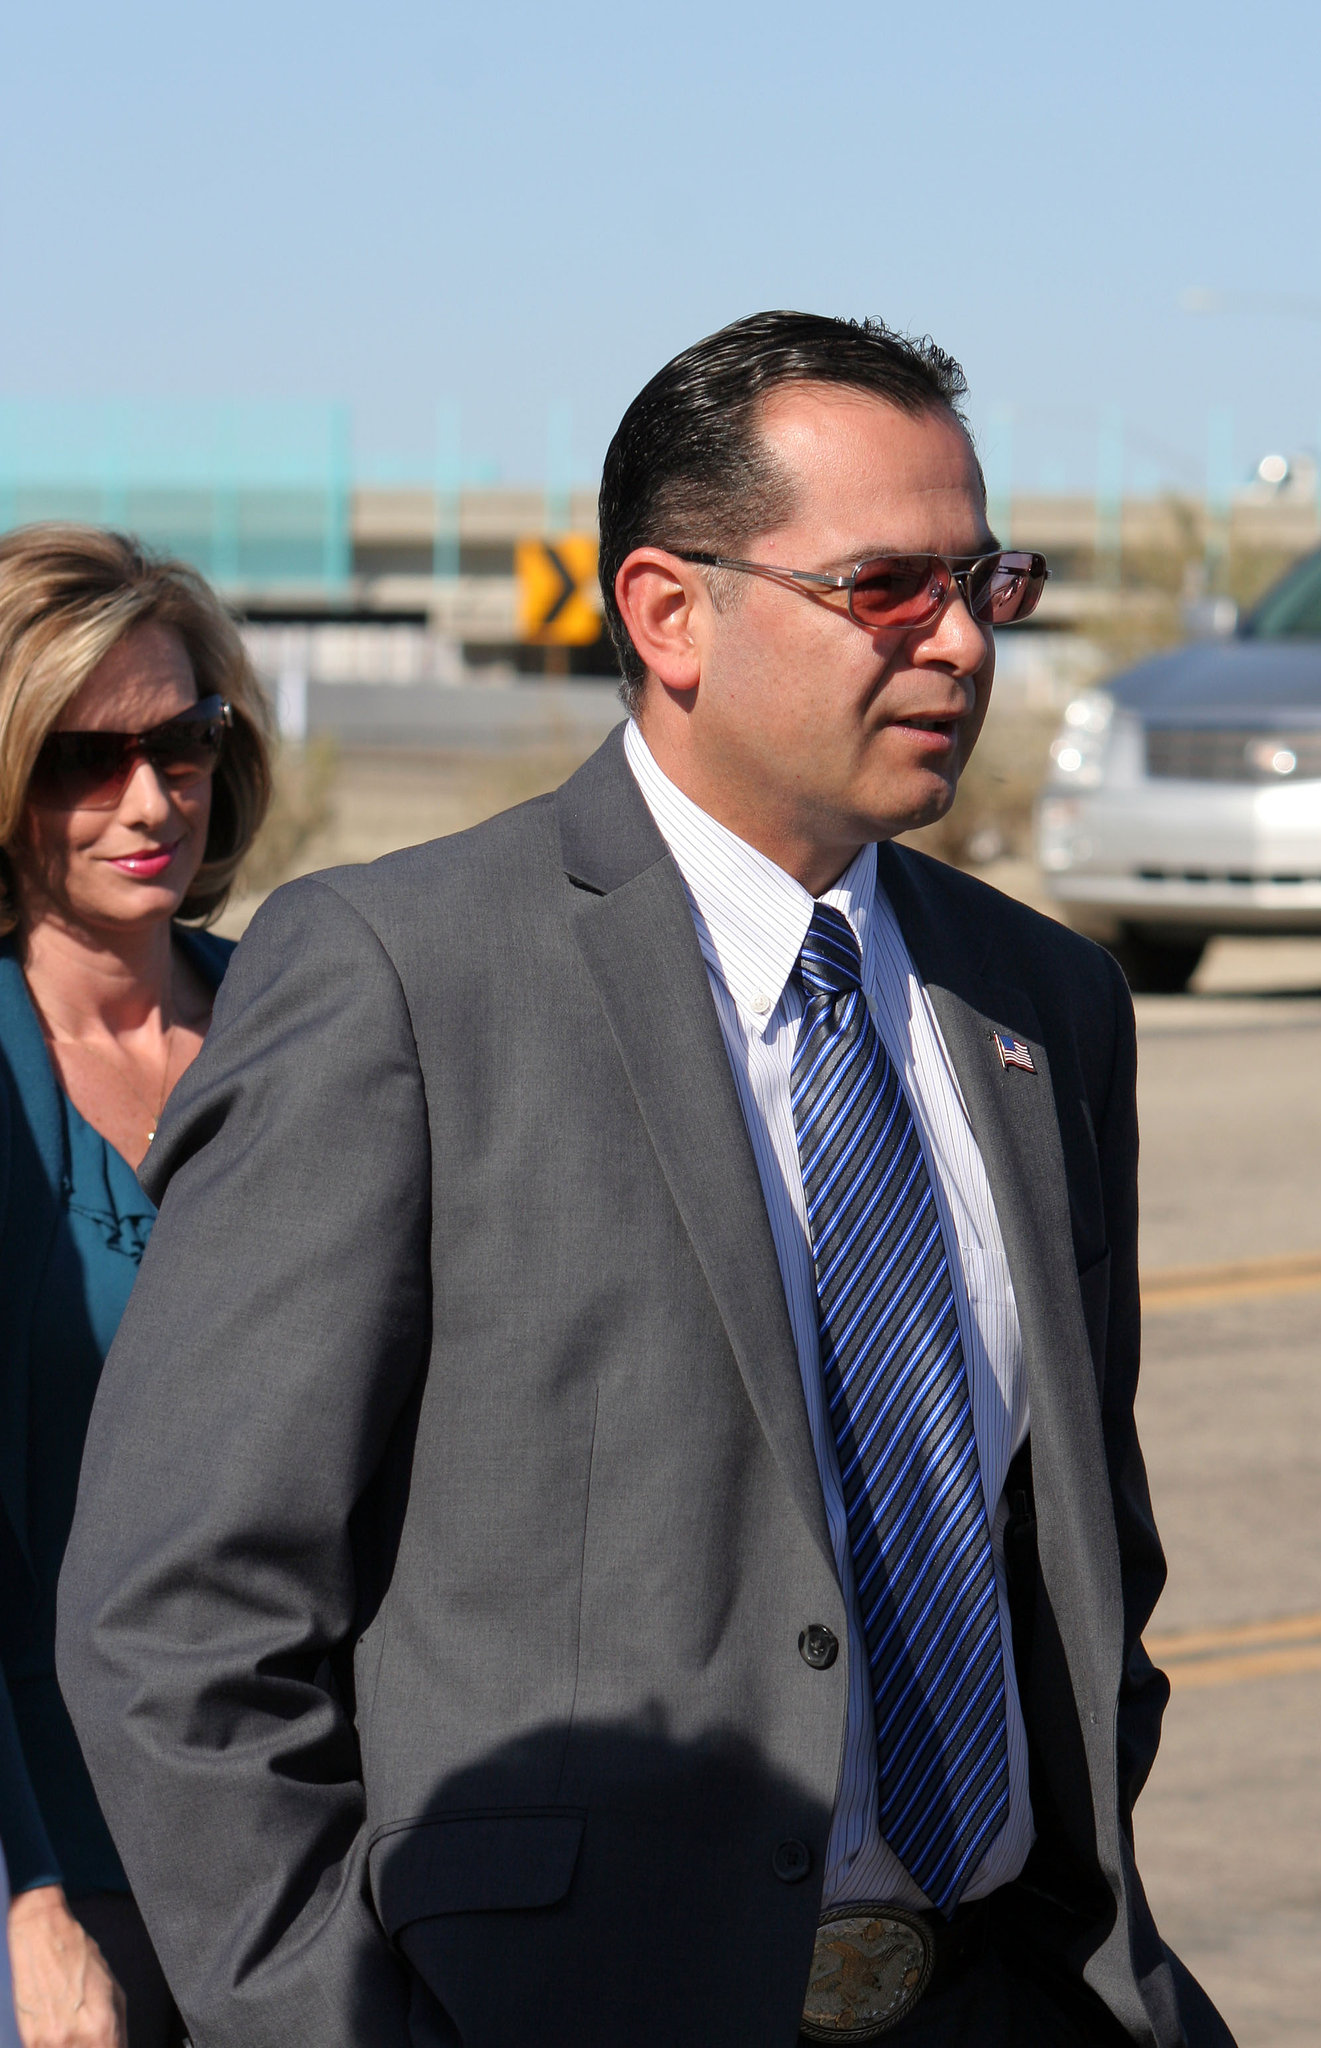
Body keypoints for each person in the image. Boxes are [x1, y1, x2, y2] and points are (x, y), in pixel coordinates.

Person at [57, 315, 1233, 2047]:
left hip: (1006, 1991)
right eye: (887, 587)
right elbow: (180, 1622)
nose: (962, 643)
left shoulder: (1041, 1001)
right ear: (669, 612)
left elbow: (1077, 1557)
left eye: (986, 580)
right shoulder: (401, 974)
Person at [0, 525, 271, 2047]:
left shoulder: (305, 1021)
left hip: (307, 1860)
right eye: (78, 761)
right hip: (68, 1874)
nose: (148, 800)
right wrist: (23, 1905)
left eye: (183, 742)